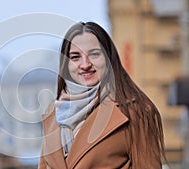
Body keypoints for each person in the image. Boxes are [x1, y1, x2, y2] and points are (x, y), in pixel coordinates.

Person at [38, 22, 165, 169]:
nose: (85, 64)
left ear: (108, 59)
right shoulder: (53, 114)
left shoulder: (135, 112)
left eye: (94, 54)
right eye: (75, 57)